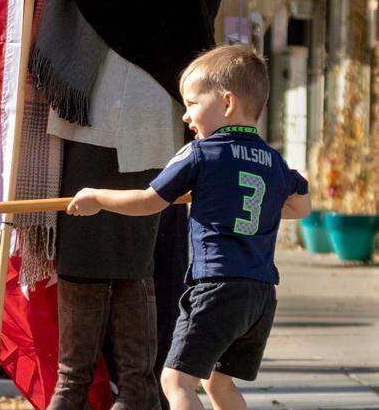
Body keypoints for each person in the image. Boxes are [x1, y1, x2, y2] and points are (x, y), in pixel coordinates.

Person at [27, 0, 215, 408]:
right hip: (80, 111)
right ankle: (96, 394)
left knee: (114, 262)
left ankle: (90, 396)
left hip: (131, 115)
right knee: (98, 265)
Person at [67, 44, 311, 410]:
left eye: (193, 103)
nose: (186, 115)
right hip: (260, 293)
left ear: (226, 103)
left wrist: (97, 197)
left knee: (175, 380)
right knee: (219, 384)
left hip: (216, 287)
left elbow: (149, 201)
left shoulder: (200, 154)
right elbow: (301, 206)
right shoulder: (273, 160)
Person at [147, 0, 237, 410]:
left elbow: (180, 18)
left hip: (173, 109)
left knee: (170, 254)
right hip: (92, 113)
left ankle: (165, 379)